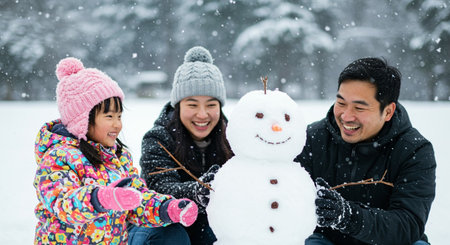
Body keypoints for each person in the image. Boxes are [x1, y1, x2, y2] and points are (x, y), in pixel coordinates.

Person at [33, 57, 198, 245]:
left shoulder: (118, 158)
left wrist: (167, 208)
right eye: (109, 116)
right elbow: (63, 203)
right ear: (82, 119)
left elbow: (137, 200)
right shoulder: (58, 157)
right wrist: (100, 199)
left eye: (119, 116)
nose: (117, 124)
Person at [295, 57, 436, 245]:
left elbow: (408, 225)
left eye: (359, 107)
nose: (346, 116)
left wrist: (348, 217)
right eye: (341, 103)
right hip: (327, 240)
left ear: (388, 111)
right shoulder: (311, 139)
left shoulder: (413, 150)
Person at [127, 46, 233, 245]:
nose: (202, 114)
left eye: (211, 105)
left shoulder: (234, 139)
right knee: (171, 236)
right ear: (178, 106)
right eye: (192, 105)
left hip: (203, 225)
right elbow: (158, 188)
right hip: (159, 224)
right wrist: (198, 191)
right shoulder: (158, 138)